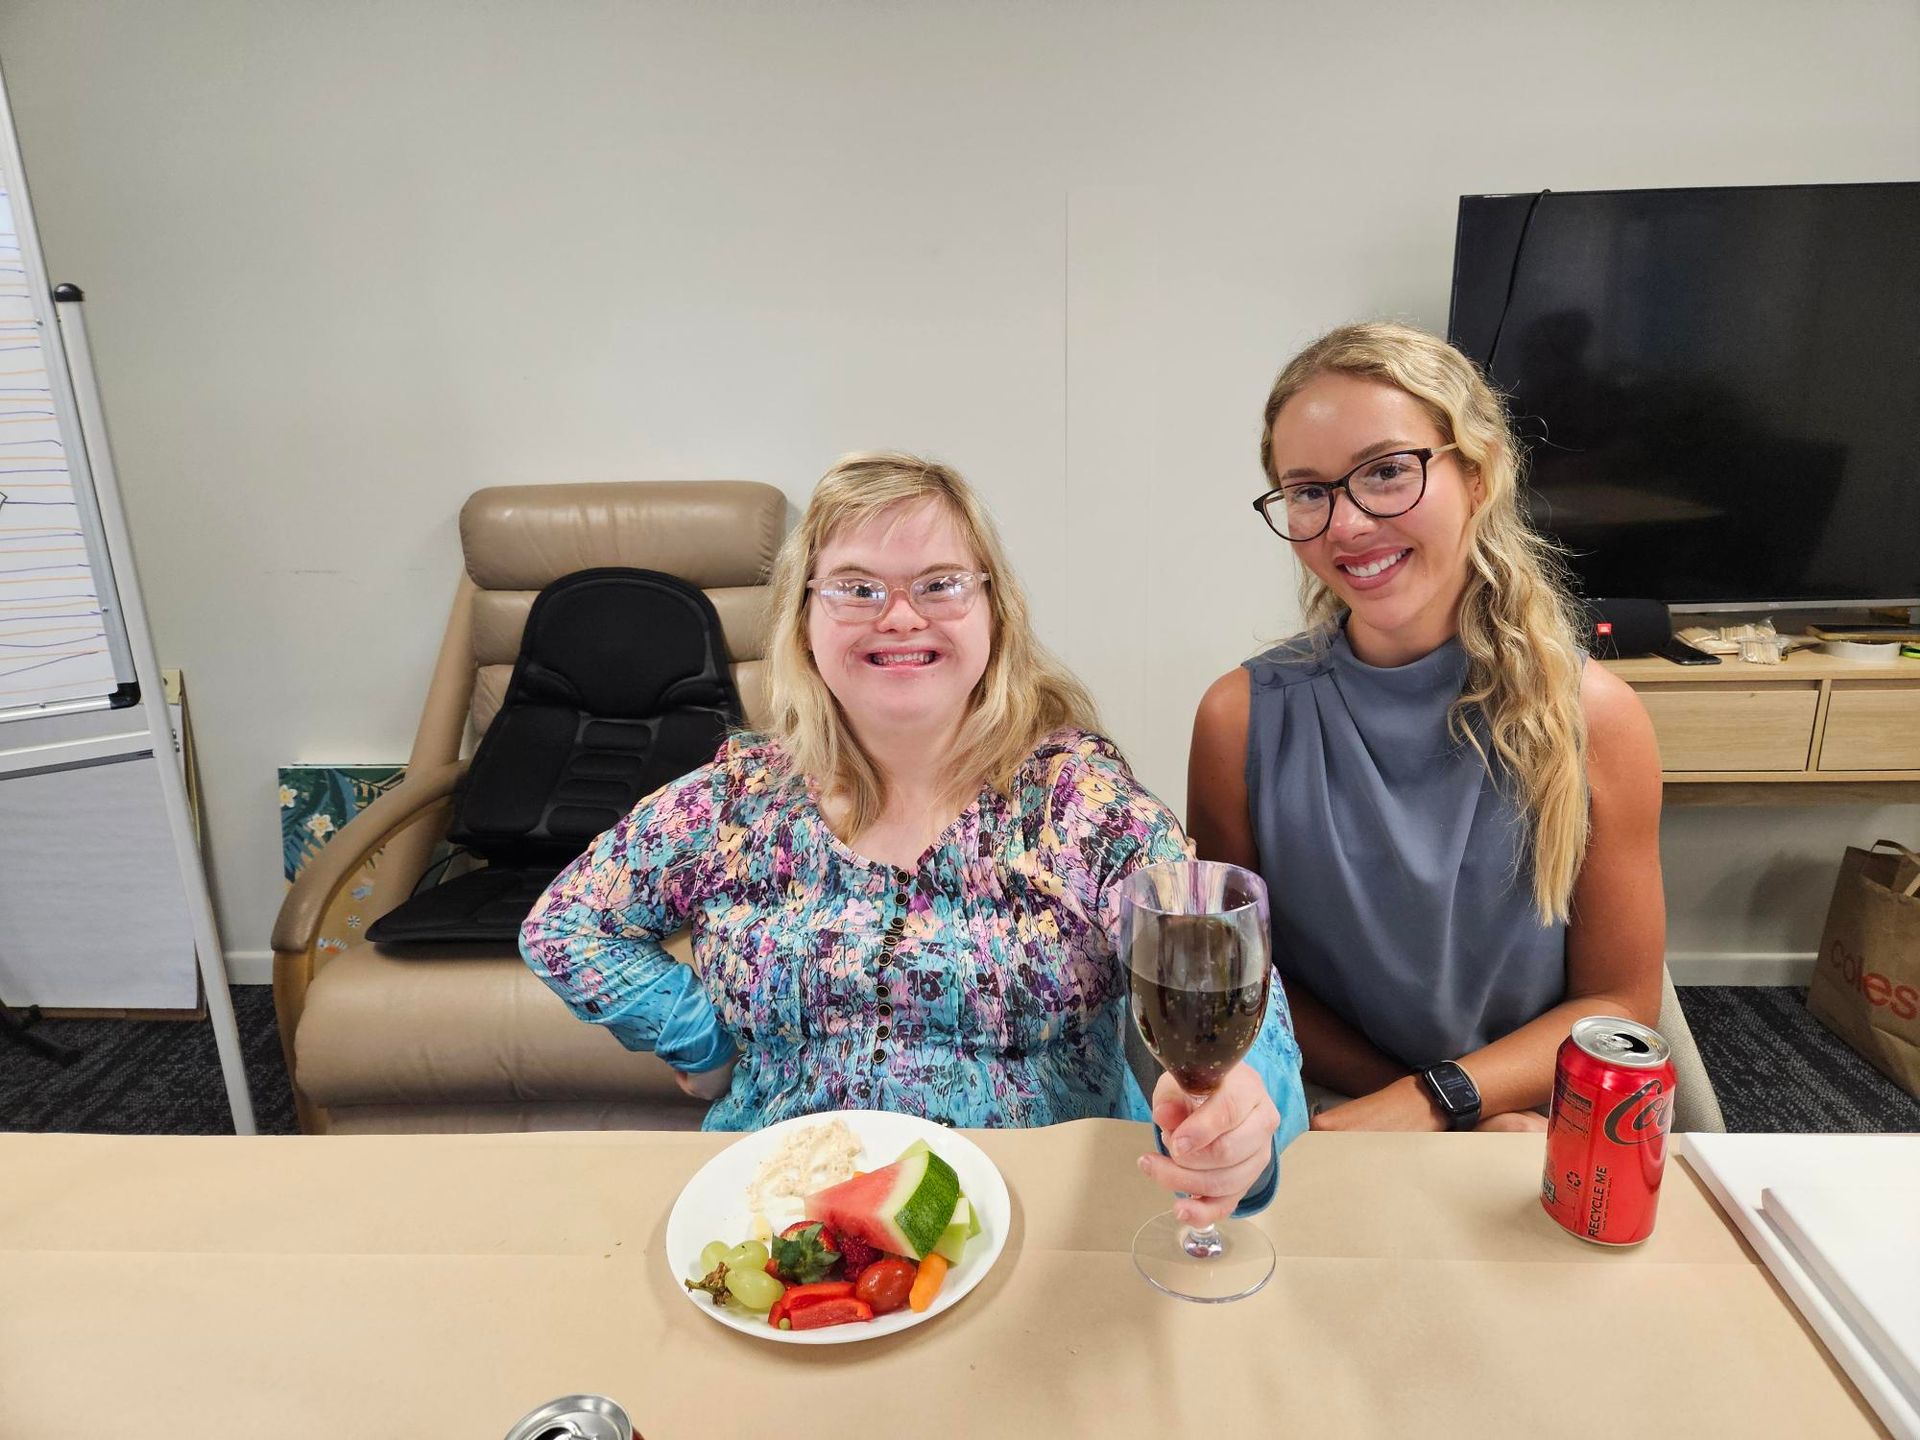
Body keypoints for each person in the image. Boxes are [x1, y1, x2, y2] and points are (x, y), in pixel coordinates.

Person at [523, 452, 1307, 1223]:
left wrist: (1240, 1122)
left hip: (1037, 1230)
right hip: (778, 1225)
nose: (900, 615)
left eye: (939, 584)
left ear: (994, 614)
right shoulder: (734, 804)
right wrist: (699, 1041)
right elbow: (566, 925)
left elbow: (1215, 968)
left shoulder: (1080, 805)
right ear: (802, 621)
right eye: (857, 588)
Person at [1187, 323, 1664, 1132]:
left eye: (1386, 472)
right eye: (1308, 491)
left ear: (1477, 474)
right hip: (1335, 1099)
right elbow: (1240, 978)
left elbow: (1621, 1004)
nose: (1346, 524)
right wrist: (1420, 1106)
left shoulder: (1597, 719)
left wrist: (1449, 1103)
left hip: (1534, 1108)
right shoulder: (1239, 717)